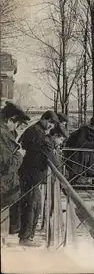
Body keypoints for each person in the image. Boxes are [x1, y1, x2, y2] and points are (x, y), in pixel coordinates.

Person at [17, 110, 59, 247]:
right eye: (50, 123)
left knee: (35, 205)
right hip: (30, 174)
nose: (51, 126)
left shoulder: (35, 130)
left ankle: (28, 236)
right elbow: (46, 152)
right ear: (43, 119)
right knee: (31, 205)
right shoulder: (37, 132)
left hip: (31, 173)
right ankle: (25, 238)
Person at [0, 102, 30, 242]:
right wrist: (20, 155)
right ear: (10, 120)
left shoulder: (4, 133)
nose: (16, 128)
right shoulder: (2, 135)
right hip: (3, 188)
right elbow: (7, 166)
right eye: (16, 123)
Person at [64, 117, 94, 182]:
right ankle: (85, 178)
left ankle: (80, 178)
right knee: (88, 166)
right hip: (87, 152)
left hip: (83, 152)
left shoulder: (84, 130)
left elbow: (75, 139)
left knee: (80, 166)